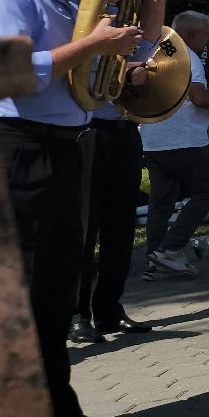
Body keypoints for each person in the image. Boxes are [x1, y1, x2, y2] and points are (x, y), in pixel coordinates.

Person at [0, 0, 170, 417]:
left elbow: (136, 58)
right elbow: (4, 74)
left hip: (68, 145)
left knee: (57, 286)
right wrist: (91, 46)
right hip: (15, 145)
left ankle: (57, 415)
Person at [137, 11, 209, 295]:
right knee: (208, 190)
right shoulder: (189, 57)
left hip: (152, 138)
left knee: (161, 202)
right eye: (205, 34)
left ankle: (156, 261)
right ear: (190, 35)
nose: (207, 39)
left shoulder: (158, 50)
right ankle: (171, 249)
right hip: (184, 139)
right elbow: (197, 98)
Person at [72, 101, 152, 344]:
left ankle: (109, 311)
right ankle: (76, 316)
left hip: (125, 128)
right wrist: (123, 73)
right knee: (84, 229)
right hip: (88, 129)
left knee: (121, 228)